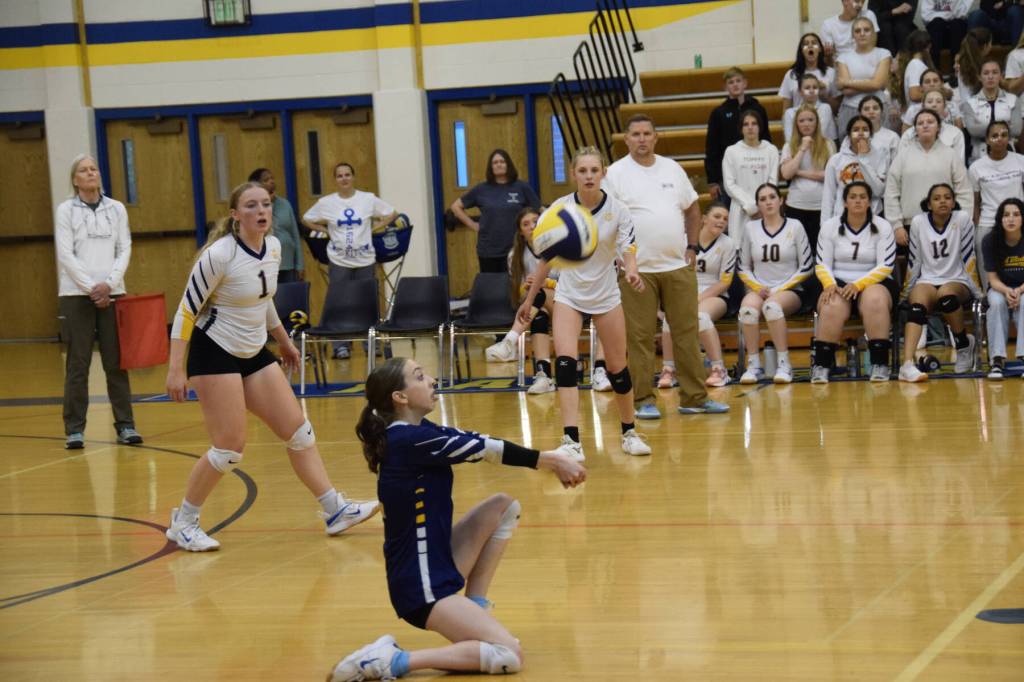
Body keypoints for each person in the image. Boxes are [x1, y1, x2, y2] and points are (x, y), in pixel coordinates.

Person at [326, 358, 586, 682]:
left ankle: (474, 610)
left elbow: (478, 440)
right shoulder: (407, 441)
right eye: (420, 377)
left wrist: (550, 459)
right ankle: (392, 661)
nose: (432, 380)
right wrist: (550, 461)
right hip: (421, 589)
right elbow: (486, 449)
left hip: (435, 564)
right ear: (400, 397)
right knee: (508, 654)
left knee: (503, 507)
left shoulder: (419, 432)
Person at [165, 181, 379, 551]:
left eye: (265, 204)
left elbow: (264, 300)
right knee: (229, 449)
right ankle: (183, 523)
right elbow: (186, 309)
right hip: (214, 350)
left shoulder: (274, 247)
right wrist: (175, 368)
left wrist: (283, 341)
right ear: (235, 215)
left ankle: (334, 510)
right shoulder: (219, 255)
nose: (261, 211)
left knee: (299, 432)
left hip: (253, 349)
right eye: (251, 205)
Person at [517, 146, 651, 460]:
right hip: (569, 295)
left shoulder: (618, 209)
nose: (589, 176)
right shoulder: (560, 210)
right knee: (564, 363)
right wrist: (530, 297)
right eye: (582, 171)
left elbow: (628, 249)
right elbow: (546, 261)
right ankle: (571, 440)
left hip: (606, 296)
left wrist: (631, 271)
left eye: (594, 170)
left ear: (603, 172)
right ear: (574, 173)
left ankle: (629, 432)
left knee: (618, 370)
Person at [606, 115, 730, 418]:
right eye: (635, 134)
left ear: (656, 137)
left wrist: (691, 246)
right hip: (638, 271)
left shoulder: (672, 169)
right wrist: (619, 258)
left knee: (686, 333)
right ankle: (643, 400)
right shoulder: (616, 173)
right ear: (626, 139)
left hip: (677, 266)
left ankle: (695, 398)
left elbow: (691, 210)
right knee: (639, 336)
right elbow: (607, 219)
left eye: (647, 133)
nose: (642, 139)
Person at [55, 154, 142, 450]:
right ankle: (74, 429)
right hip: (76, 296)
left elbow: (124, 247)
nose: (91, 173)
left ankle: (126, 425)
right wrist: (92, 287)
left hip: (113, 293)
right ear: (75, 179)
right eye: (84, 170)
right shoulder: (66, 210)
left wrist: (109, 284)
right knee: (77, 364)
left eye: (94, 168)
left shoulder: (116, 208)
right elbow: (66, 254)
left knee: (116, 362)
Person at [303, 162, 397, 359]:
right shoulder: (326, 203)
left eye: (347, 174)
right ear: (335, 180)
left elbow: (391, 213)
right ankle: (340, 345)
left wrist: (373, 228)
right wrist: (325, 229)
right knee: (339, 303)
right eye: (339, 176)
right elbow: (306, 218)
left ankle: (370, 342)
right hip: (339, 260)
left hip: (365, 259)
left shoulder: (367, 199)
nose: (344, 178)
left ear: (353, 177)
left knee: (367, 302)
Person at [812, 181, 898, 383]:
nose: (858, 201)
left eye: (862, 197)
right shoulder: (830, 226)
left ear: (869, 202)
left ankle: (880, 364)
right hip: (838, 281)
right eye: (853, 197)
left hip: (875, 281)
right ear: (845, 202)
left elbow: (886, 266)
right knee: (831, 303)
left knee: (874, 300)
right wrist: (829, 284)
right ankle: (822, 366)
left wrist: (858, 285)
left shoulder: (882, 226)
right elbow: (822, 264)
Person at [898, 183, 981, 382]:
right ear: (928, 204)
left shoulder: (962, 219)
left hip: (957, 279)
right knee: (916, 307)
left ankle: (962, 345)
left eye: (947, 197)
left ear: (953, 202)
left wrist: (979, 293)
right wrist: (904, 293)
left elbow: (969, 257)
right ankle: (907, 365)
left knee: (946, 296)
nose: (942, 201)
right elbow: (914, 261)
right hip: (927, 279)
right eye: (936, 198)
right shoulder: (918, 222)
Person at [736, 184, 815, 384]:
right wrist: (756, 287)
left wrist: (778, 289)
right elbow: (743, 267)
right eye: (763, 199)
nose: (768, 201)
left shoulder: (795, 226)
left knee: (772, 307)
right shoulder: (750, 228)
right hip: (759, 287)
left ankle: (784, 364)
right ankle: (753, 365)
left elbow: (807, 266)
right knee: (747, 310)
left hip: (789, 289)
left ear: (781, 201)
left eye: (772, 197)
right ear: (758, 205)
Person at [483, 208, 558, 395]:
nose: (532, 226)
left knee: (540, 290)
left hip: (566, 305)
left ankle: (510, 341)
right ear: (521, 233)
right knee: (539, 317)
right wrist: (526, 287)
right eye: (526, 224)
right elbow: (517, 292)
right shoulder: (514, 255)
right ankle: (544, 377)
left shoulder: (559, 248)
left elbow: (573, 283)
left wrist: (545, 282)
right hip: (536, 307)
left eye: (535, 221)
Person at [885, 109, 973, 248]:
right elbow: (891, 192)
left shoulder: (950, 155)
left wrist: (962, 223)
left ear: (938, 127)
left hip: (947, 224)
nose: (925, 125)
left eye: (930, 122)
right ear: (915, 129)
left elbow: (964, 192)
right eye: (920, 123)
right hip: (911, 225)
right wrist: (896, 225)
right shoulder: (903, 156)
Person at [450, 149, 541, 274]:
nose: (499, 164)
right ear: (491, 167)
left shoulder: (521, 187)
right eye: (495, 162)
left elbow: (538, 209)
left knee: (515, 288)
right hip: (489, 250)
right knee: (492, 289)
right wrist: (473, 225)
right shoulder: (481, 189)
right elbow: (456, 207)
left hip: (516, 248)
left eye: (502, 161)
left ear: (508, 164)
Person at [704, 67, 773, 204]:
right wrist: (713, 181)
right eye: (731, 82)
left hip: (756, 169)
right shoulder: (718, 113)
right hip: (728, 175)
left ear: (745, 83)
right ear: (725, 87)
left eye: (738, 81)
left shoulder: (758, 109)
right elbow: (711, 148)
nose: (735, 84)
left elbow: (766, 139)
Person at [969, 121, 1024, 281]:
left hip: (1018, 220)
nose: (999, 138)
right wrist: (979, 224)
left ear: (1009, 138)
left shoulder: (1021, 160)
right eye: (994, 135)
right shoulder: (976, 167)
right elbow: (975, 202)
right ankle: (989, 300)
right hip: (988, 222)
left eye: (1004, 135)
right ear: (987, 140)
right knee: (988, 268)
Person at [782, 104, 836, 250]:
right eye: (802, 120)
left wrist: (799, 172)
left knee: (820, 250)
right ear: (796, 124)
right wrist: (802, 148)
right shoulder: (789, 146)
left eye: (810, 120)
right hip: (796, 205)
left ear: (817, 122)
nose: (806, 124)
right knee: (798, 250)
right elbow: (786, 174)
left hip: (821, 206)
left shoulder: (828, 144)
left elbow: (830, 175)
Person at [723, 110, 781, 246]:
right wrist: (750, 206)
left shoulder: (771, 150)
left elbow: (773, 182)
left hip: (766, 209)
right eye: (746, 124)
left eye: (754, 123)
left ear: (760, 127)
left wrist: (761, 205)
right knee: (741, 251)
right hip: (741, 210)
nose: (750, 127)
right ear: (741, 128)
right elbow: (729, 184)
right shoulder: (732, 151)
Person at [981, 198, 1024, 378]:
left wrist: (1019, 291)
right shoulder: (990, 240)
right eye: (1006, 215)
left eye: (1016, 214)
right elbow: (992, 278)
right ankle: (997, 360)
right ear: (1000, 219)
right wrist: (1008, 291)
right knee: (996, 303)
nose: (1011, 219)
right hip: (1000, 288)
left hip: (1022, 288)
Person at [835, 16, 893, 136]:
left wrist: (848, 82)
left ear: (873, 32)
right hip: (851, 108)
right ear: (852, 35)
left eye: (866, 30)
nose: (862, 33)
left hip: (877, 108)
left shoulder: (883, 53)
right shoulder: (843, 58)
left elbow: (877, 84)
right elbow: (847, 91)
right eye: (857, 31)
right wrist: (870, 83)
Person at [823, 116, 889, 220]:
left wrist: (862, 158)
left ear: (871, 134)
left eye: (865, 129)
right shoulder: (836, 160)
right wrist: (824, 225)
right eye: (856, 130)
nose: (861, 133)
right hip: (842, 216)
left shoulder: (880, 155)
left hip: (873, 215)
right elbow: (828, 195)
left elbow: (878, 191)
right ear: (849, 135)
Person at [961, 59, 1023, 163]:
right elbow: (973, 131)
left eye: (995, 72)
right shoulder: (969, 103)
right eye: (986, 73)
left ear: (1001, 76)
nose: (990, 76)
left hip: (1009, 153)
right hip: (979, 156)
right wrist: (1006, 126)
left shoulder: (1013, 100)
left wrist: (983, 127)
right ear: (979, 77)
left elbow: (1017, 129)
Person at [248, 167, 303, 283]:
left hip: (289, 264)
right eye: (266, 180)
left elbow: (295, 235)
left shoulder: (285, 204)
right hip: (265, 265)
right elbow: (262, 229)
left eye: (272, 178)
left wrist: (300, 264)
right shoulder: (252, 207)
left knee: (289, 299)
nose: (271, 181)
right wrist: (268, 204)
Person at [899, 89, 967, 160]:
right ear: (923, 106)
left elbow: (959, 164)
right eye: (929, 101)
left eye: (938, 101)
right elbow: (901, 162)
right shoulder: (909, 134)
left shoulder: (955, 133)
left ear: (944, 106)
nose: (934, 105)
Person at [779, 33, 839, 111]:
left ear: (820, 49)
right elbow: (786, 109)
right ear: (801, 50)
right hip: (799, 121)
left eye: (814, 43)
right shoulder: (791, 75)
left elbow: (837, 108)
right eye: (806, 44)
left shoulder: (831, 73)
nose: (810, 46)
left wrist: (824, 95)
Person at [783, 74, 838, 143]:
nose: (811, 91)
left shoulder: (825, 108)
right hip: (798, 149)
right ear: (800, 91)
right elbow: (789, 139)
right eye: (807, 88)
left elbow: (820, 133)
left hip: (823, 148)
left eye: (815, 87)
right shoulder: (790, 113)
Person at [922, 0, 971, 71]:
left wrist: (942, 15)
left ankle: (956, 69)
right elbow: (926, 16)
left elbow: (962, 13)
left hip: (956, 33)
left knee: (956, 24)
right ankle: (934, 70)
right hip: (938, 34)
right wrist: (948, 15)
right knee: (937, 23)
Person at [893, 29, 935, 108]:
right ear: (928, 46)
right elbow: (914, 95)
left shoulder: (916, 64)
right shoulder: (916, 65)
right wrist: (939, 94)